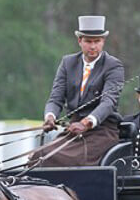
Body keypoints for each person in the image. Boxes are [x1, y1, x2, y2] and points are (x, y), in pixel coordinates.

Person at [30, 15, 124, 167]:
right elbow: (56, 98)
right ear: (79, 41)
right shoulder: (68, 63)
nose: (93, 46)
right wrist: (50, 116)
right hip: (73, 130)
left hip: (101, 132)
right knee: (39, 156)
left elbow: (109, 102)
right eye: (88, 41)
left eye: (97, 41)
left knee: (61, 159)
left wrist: (86, 123)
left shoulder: (113, 66)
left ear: (103, 41)